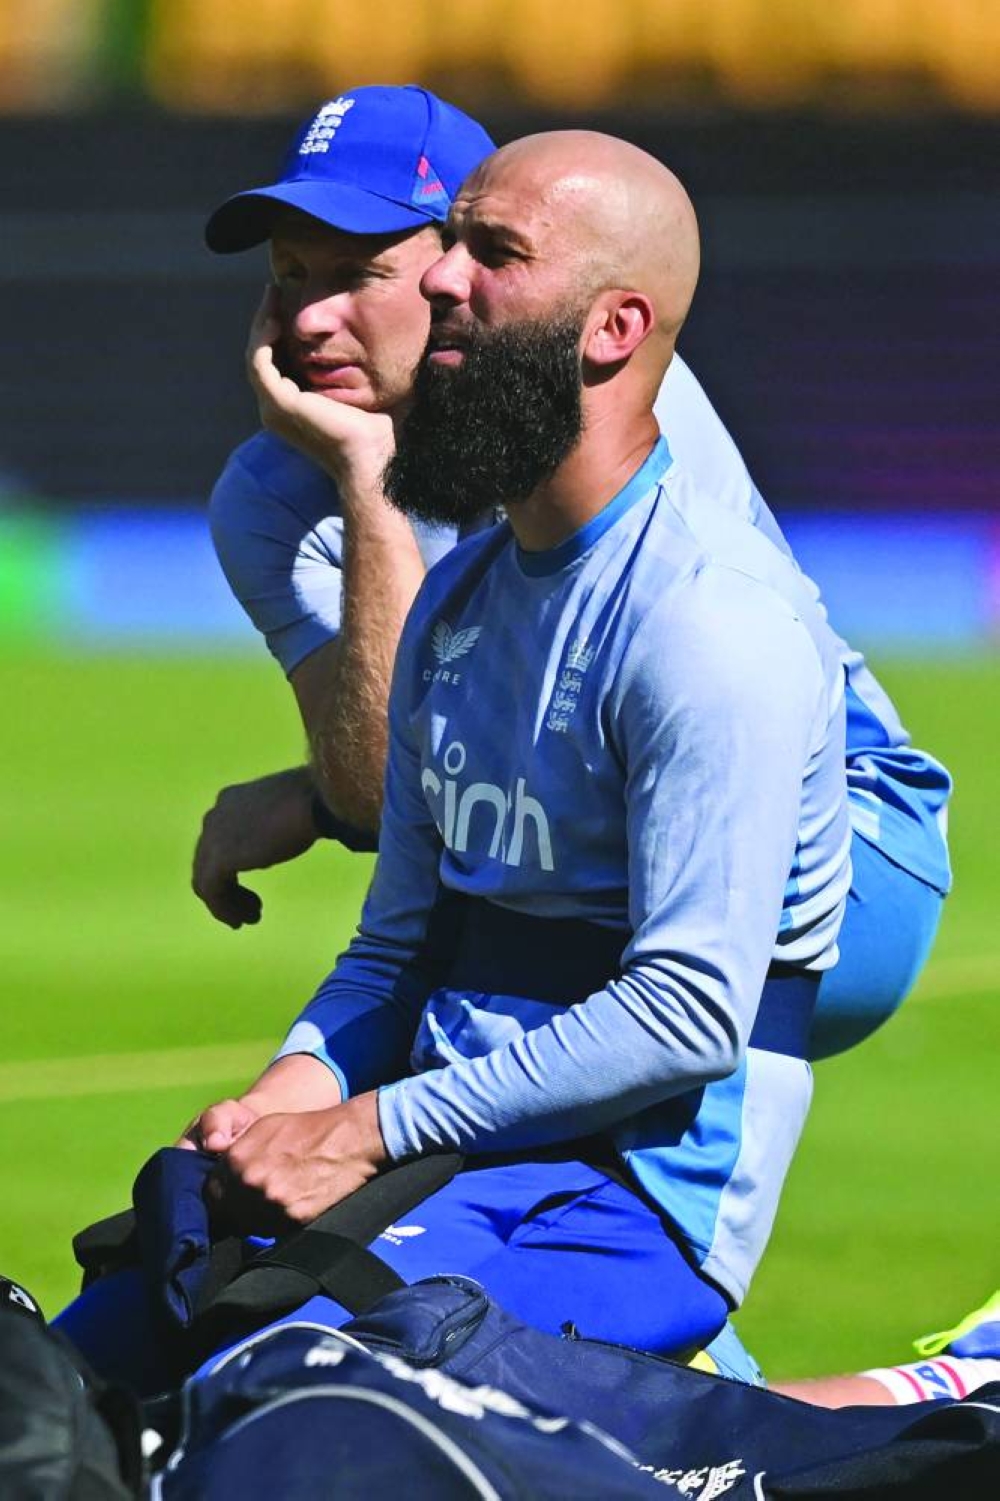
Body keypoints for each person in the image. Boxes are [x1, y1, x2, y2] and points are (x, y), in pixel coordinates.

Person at [193, 86, 951, 1062]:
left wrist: (307, 801)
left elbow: (405, 788)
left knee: (419, 1049)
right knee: (349, 1101)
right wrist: (357, 462)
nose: (308, 319)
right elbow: (387, 787)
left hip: (841, 850)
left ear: (466, 262)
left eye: (358, 272)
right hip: (586, 858)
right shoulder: (265, 499)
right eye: (289, 274)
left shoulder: (598, 382)